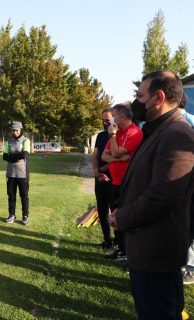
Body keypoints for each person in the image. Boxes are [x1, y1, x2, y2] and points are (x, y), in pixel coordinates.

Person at [111, 70, 194, 319]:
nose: (135, 102)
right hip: (147, 248)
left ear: (158, 97)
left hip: (157, 252)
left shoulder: (176, 134)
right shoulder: (159, 129)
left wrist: (122, 218)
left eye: (139, 95)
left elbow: (163, 197)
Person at [102, 104, 143, 261]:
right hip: (115, 183)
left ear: (122, 117)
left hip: (128, 184)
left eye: (114, 115)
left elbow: (117, 151)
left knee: (126, 218)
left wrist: (112, 137)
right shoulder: (117, 132)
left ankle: (129, 252)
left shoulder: (134, 132)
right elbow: (105, 156)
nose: (111, 119)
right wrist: (119, 158)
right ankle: (121, 250)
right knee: (115, 217)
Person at [91, 108, 114, 249]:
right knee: (102, 210)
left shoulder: (118, 135)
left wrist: (103, 170)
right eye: (103, 120)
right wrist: (96, 171)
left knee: (115, 211)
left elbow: (118, 158)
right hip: (99, 178)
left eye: (108, 119)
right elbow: (95, 155)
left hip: (113, 179)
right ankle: (107, 240)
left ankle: (119, 244)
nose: (105, 122)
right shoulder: (100, 136)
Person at [3, 121, 31, 225]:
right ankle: (12, 215)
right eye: (13, 130)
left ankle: (25, 216)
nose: (15, 132)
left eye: (17, 130)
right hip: (10, 173)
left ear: (21, 130)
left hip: (22, 173)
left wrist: (12, 157)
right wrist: (17, 156)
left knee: (24, 195)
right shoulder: (8, 141)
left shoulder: (26, 141)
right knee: (11, 195)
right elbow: (5, 157)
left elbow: (25, 154)